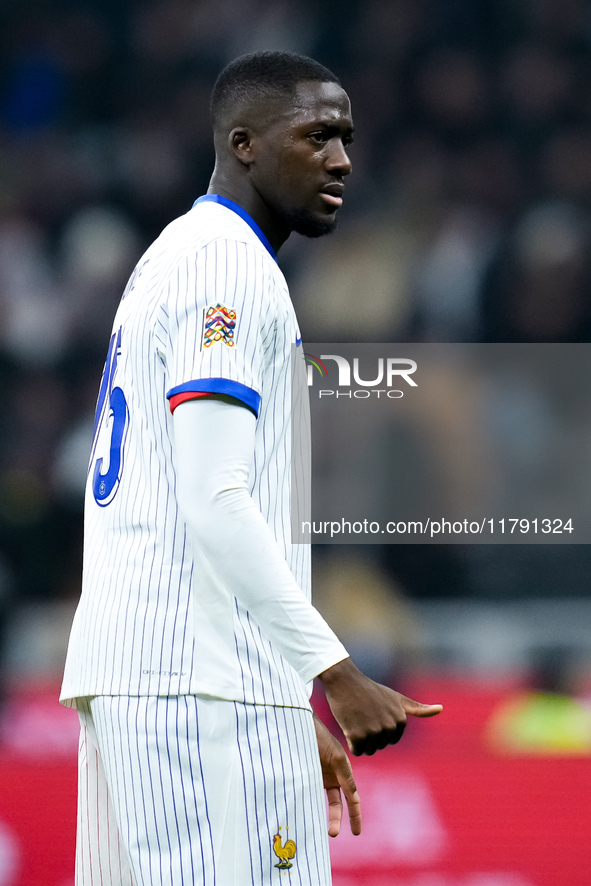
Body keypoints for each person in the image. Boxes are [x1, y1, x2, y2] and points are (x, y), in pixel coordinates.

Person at [60, 50, 442, 886]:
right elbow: (213, 495)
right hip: (194, 691)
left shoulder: (175, 254)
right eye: (315, 136)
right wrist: (331, 674)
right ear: (243, 144)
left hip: (162, 684)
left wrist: (278, 698)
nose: (342, 158)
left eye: (345, 137)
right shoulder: (227, 265)